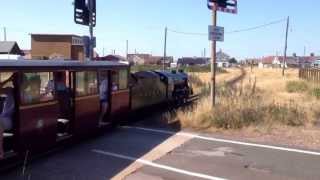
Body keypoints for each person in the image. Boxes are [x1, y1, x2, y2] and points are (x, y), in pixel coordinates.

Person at [0, 75, 15, 159]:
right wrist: (8, 79)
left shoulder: (25, 93)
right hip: (3, 117)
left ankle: (1, 152)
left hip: (10, 120)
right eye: (14, 80)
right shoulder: (10, 90)